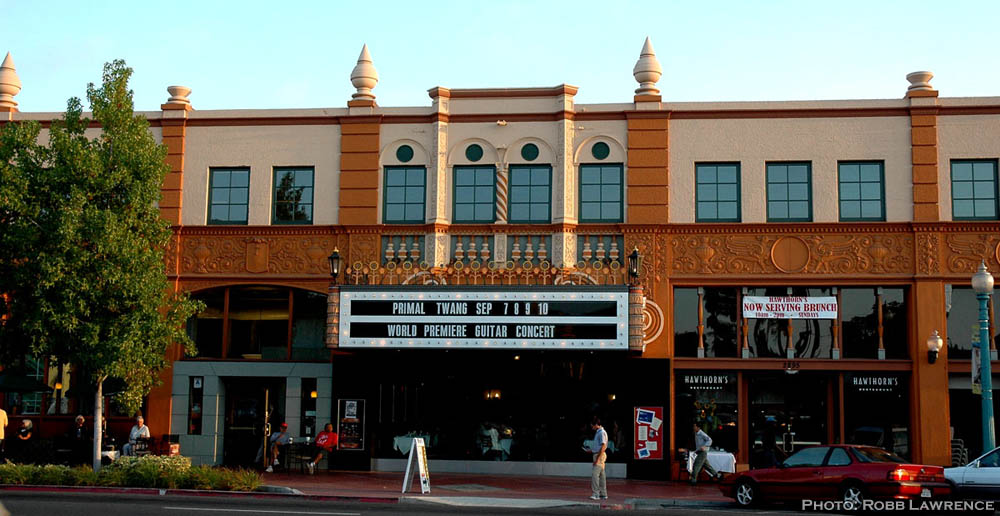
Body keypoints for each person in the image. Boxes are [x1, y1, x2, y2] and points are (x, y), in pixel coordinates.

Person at [583, 416, 608, 501]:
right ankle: (603, 494)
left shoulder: (601, 432)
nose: (592, 427)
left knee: (595, 475)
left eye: (592, 426)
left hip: (599, 455)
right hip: (598, 454)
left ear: (597, 424)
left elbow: (603, 445)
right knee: (601, 475)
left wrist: (597, 458)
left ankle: (596, 494)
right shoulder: (599, 432)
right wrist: (592, 450)